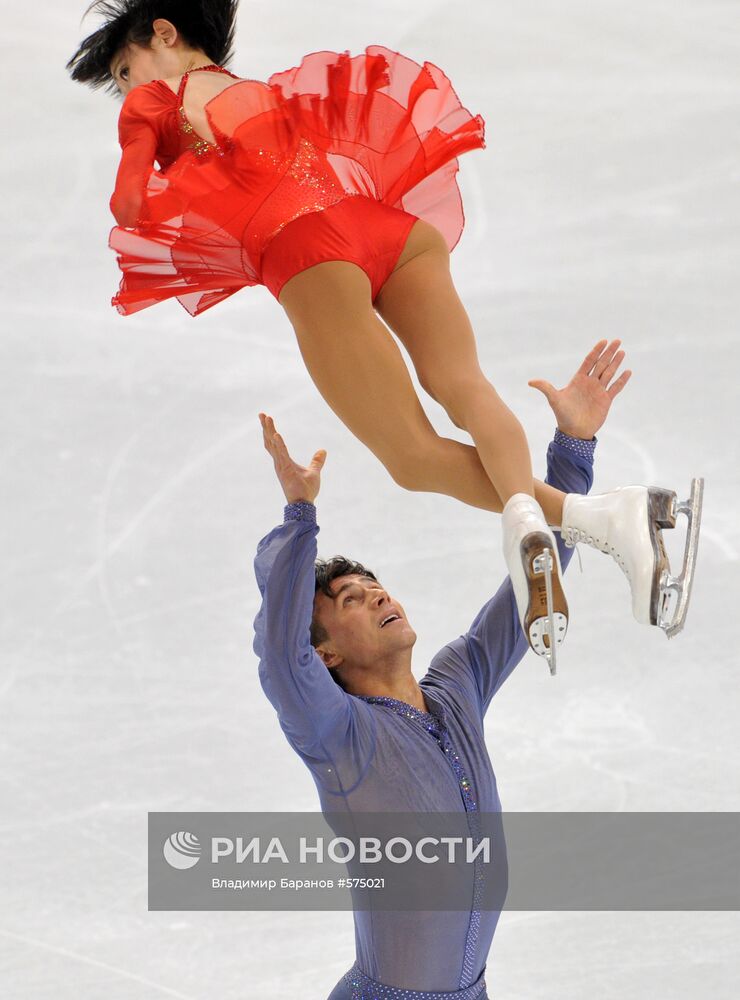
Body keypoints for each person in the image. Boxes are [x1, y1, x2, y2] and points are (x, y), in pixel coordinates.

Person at [67, 2, 701, 665]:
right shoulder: (257, 92)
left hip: (306, 256)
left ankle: (551, 523)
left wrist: (155, 179)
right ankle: (588, 520)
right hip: (388, 230)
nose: (127, 87)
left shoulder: (152, 105)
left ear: (164, 34)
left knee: (412, 457)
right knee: (463, 385)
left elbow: (129, 202)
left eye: (126, 68)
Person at [253, 345, 630, 998]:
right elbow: (282, 657)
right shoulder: (338, 733)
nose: (377, 595)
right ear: (326, 654)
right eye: (351, 600)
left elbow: (535, 581)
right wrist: (299, 519)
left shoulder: (457, 684)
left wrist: (573, 445)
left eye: (374, 585)